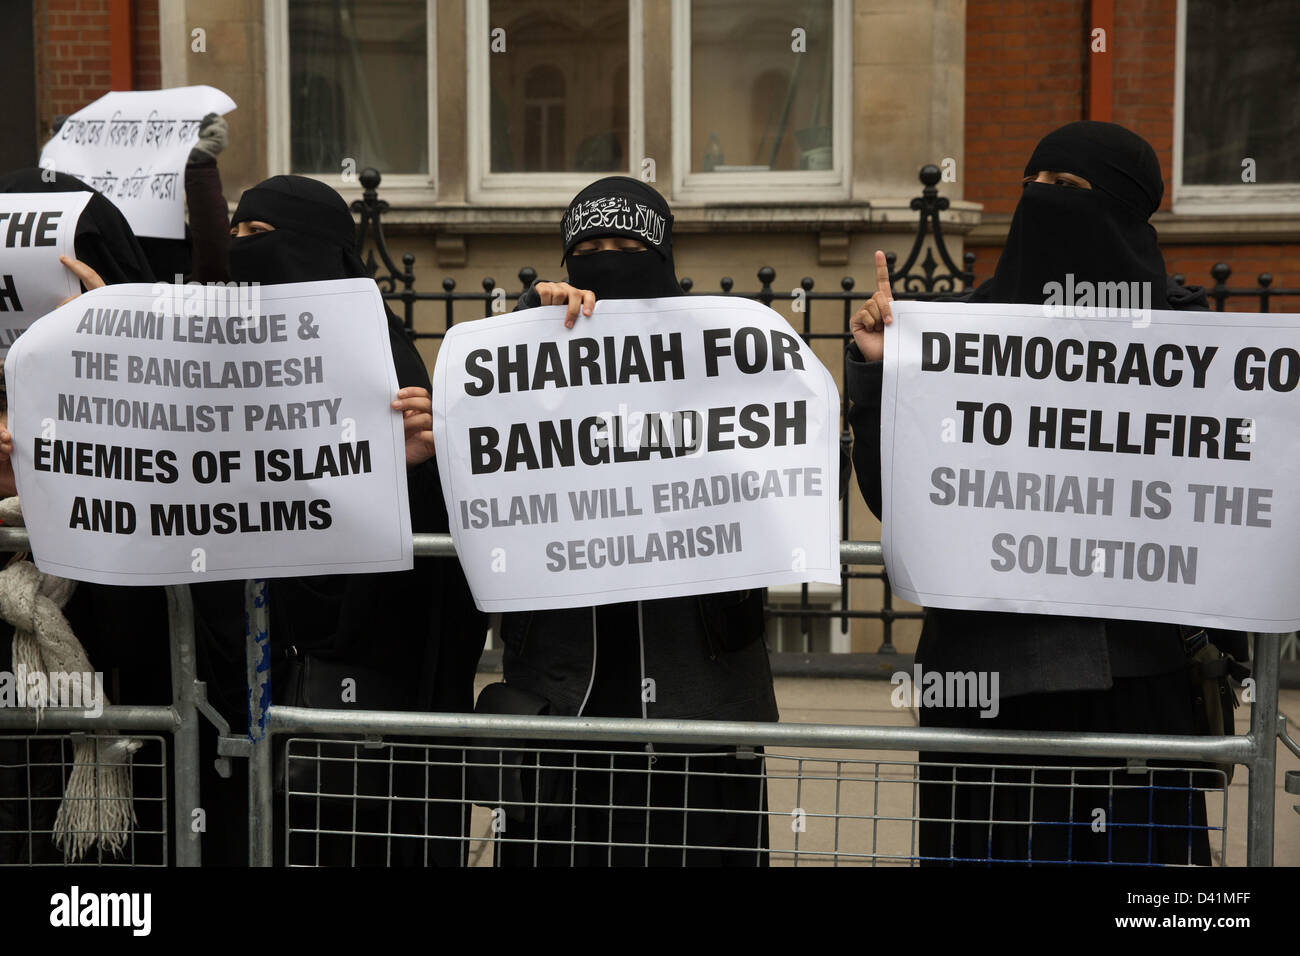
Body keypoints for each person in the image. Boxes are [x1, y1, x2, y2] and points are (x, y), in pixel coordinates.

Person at [845, 121, 1234, 865]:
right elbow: (898, 501)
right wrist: (879, 374)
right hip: (984, 682)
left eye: (1069, 189)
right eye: (1036, 185)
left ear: (1121, 206)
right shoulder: (959, 333)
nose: (1043, 201)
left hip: (1133, 681)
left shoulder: (1186, 335)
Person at [222, 175, 487, 866]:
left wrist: (413, 469)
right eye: (236, 236)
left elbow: (428, 566)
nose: (241, 252)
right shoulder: (232, 359)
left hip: (378, 715)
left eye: (261, 238)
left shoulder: (385, 363)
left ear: (313, 251)